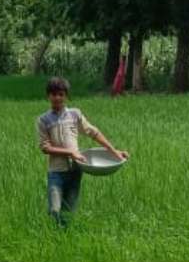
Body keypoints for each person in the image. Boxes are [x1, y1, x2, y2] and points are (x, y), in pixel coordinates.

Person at [38, 76, 129, 226]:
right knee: (54, 209)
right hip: (56, 172)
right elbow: (45, 147)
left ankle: (63, 237)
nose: (57, 98)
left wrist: (115, 152)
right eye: (54, 94)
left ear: (66, 96)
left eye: (61, 94)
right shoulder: (43, 120)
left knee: (69, 210)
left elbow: (94, 133)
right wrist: (70, 153)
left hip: (75, 170)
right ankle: (53, 231)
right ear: (48, 96)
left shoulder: (75, 115)